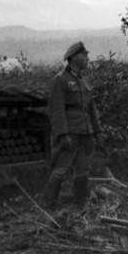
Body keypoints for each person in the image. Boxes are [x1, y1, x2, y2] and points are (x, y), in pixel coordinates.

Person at [42, 41, 100, 208]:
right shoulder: (60, 80)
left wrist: (98, 131)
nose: (87, 57)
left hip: (85, 132)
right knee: (61, 169)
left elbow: (91, 109)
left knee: (82, 171)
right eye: (84, 55)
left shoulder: (84, 81)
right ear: (74, 58)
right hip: (70, 133)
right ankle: (49, 204)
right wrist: (62, 134)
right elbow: (56, 110)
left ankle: (79, 205)